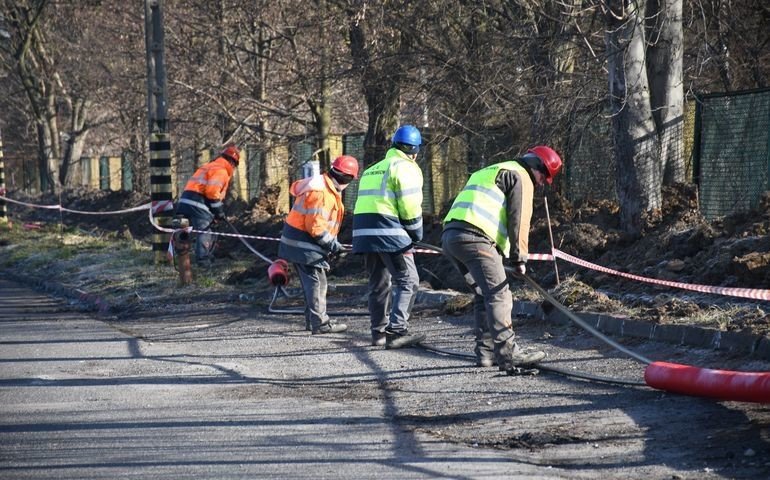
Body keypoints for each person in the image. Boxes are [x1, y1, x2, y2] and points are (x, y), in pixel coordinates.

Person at [441, 145, 563, 372]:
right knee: (500, 295)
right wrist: (519, 259)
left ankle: (486, 353)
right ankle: (509, 354)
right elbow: (519, 220)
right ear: (537, 167)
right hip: (476, 239)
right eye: (542, 178)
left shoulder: (490, 170)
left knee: (482, 293)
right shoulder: (520, 176)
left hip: (451, 237)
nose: (539, 183)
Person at [352, 125, 426, 349]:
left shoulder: (373, 169)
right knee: (409, 280)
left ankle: (378, 334)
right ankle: (396, 331)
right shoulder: (407, 168)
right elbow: (410, 205)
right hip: (389, 232)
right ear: (414, 151)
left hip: (364, 233)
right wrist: (415, 233)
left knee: (378, 283)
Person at [278, 155, 359, 335]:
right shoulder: (323, 193)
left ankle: (313, 320)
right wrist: (332, 244)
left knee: (313, 283)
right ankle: (320, 324)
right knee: (317, 284)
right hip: (304, 244)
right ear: (348, 178)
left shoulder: (323, 186)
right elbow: (315, 226)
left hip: (299, 242)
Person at [175, 144, 240, 267]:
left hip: (185, 201)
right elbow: (212, 193)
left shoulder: (209, 166)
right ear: (233, 163)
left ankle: (180, 260)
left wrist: (215, 212)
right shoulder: (222, 171)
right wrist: (219, 211)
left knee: (182, 232)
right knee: (205, 230)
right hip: (198, 203)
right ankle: (203, 261)